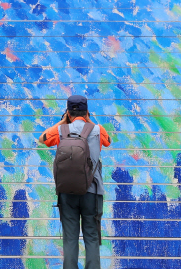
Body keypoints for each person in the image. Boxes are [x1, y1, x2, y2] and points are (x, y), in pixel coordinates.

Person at [38, 95, 112, 269]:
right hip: (92, 193)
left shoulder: (61, 131)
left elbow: (42, 139)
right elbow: (108, 142)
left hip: (67, 193)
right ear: (86, 112)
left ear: (68, 113)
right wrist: (89, 120)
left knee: (70, 239)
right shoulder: (98, 130)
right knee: (92, 237)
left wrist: (62, 122)